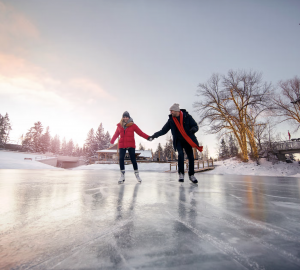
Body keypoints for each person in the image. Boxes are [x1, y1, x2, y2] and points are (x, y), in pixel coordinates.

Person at [149, 103, 203, 183]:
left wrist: (194, 129)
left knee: (191, 157)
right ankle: (181, 174)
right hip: (178, 141)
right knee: (180, 154)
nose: (171, 113)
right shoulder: (171, 120)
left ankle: (191, 175)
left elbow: (195, 126)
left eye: (172, 111)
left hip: (187, 140)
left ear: (177, 110)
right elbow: (163, 131)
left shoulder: (187, 116)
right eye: (170, 111)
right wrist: (153, 136)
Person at [110, 111, 151, 184]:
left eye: (127, 117)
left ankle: (137, 175)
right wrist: (112, 141)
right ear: (122, 117)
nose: (125, 118)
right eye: (124, 117)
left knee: (133, 160)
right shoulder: (119, 126)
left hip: (130, 144)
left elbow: (140, 133)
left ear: (129, 117)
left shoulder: (133, 125)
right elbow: (116, 134)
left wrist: (148, 137)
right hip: (122, 145)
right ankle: (122, 175)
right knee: (121, 159)